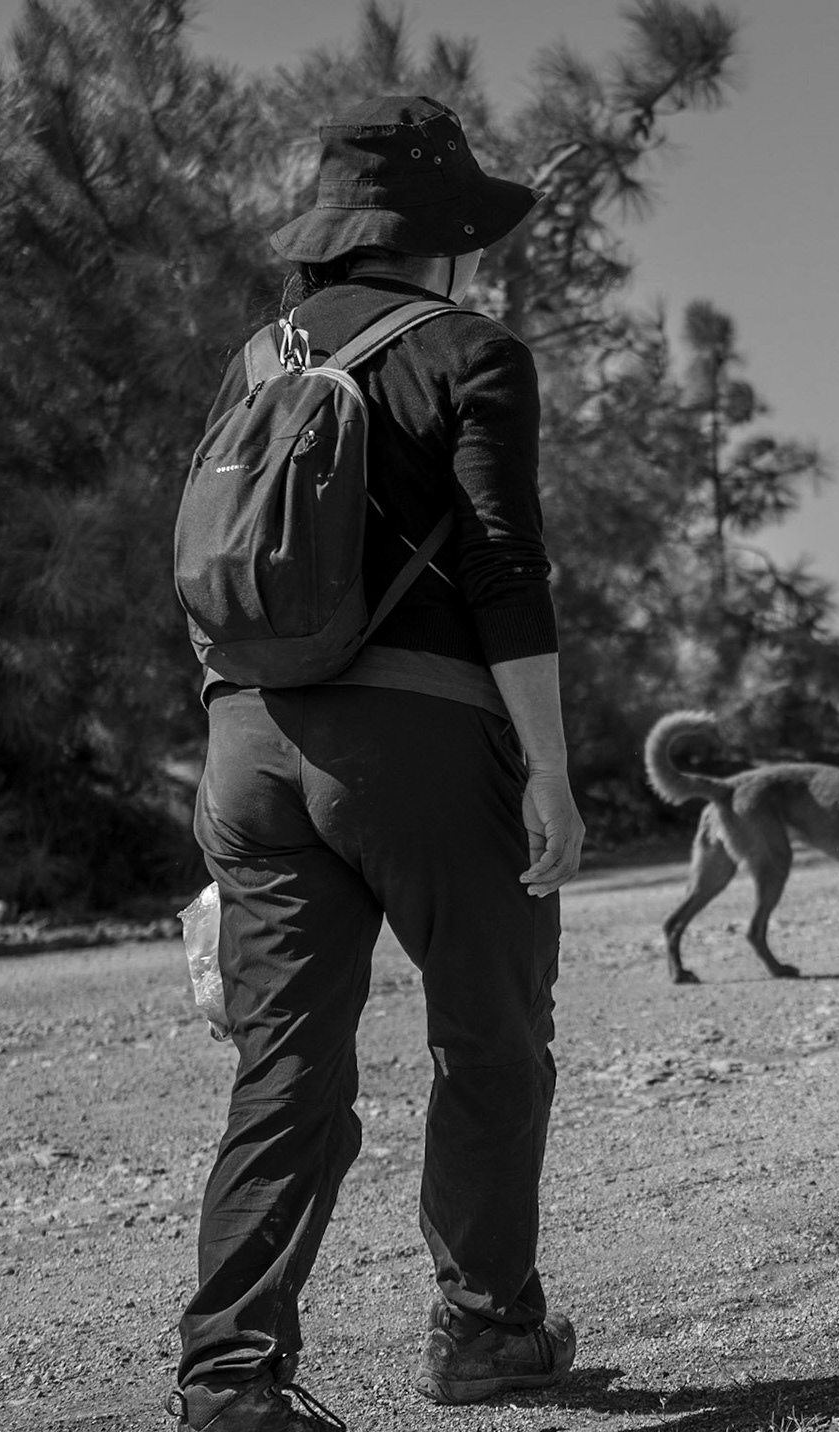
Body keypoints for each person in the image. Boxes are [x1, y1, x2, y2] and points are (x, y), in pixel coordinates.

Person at [168, 97, 585, 1431]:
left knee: (285, 1066)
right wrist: (553, 773)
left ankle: (229, 1381)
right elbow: (504, 573)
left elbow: (209, 570)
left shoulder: (255, 359)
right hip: (420, 747)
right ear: (440, 235)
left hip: (248, 743)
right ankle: (485, 1331)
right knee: (493, 1044)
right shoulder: (474, 352)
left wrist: (225, 792)